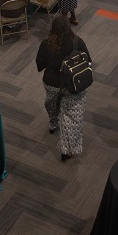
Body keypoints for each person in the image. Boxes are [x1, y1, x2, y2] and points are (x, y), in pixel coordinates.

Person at [35, 16, 90, 161]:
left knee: (52, 104)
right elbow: (88, 61)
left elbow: (40, 65)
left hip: (52, 83)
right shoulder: (77, 42)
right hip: (73, 85)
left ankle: (53, 122)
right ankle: (67, 150)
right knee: (71, 117)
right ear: (68, 28)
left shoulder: (46, 43)